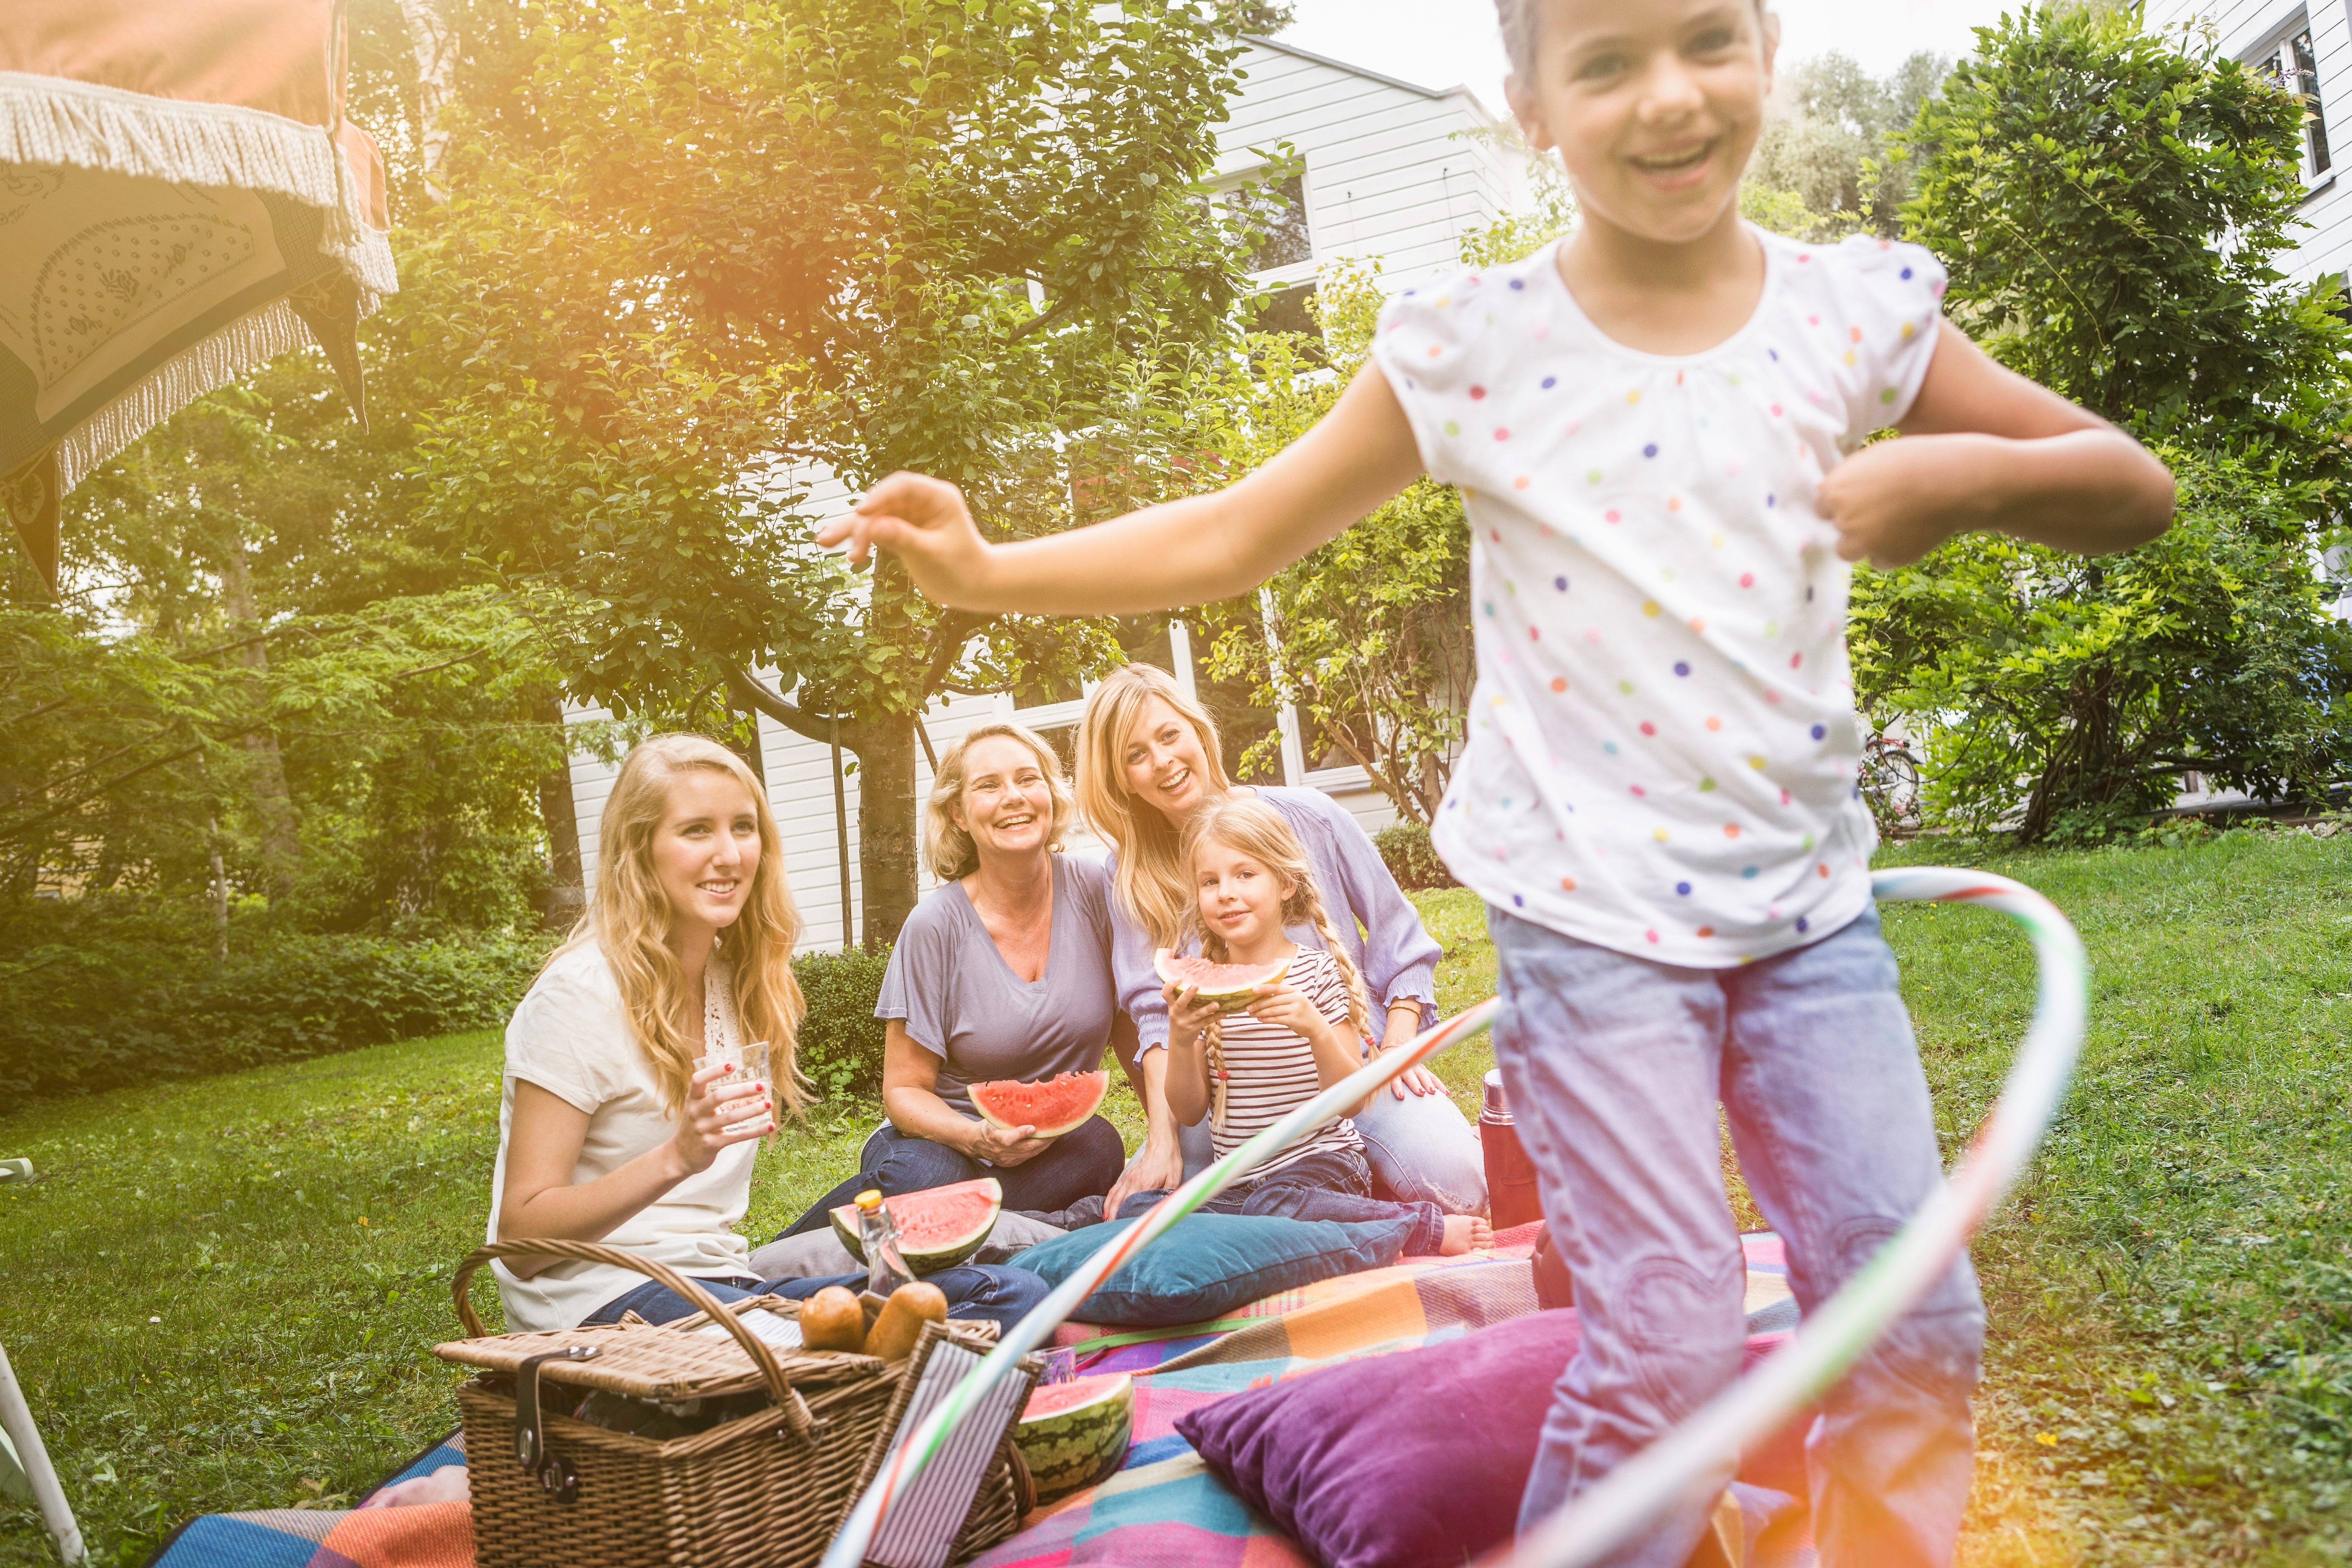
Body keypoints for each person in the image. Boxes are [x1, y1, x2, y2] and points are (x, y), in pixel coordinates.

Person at [816, 0, 2178, 1556]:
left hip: (1806, 924)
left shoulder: (1853, 312)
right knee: (1663, 1340)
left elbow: (2127, 484)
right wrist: (987, 571)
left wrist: (1970, 474)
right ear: (1529, 107)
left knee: (1910, 1308)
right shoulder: (1476, 344)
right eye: (1606, 62)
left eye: (1706, 41)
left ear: (1767, 49)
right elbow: (1235, 532)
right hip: (1588, 930)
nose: (1668, 96)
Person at [489, 733, 1046, 1332]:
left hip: (723, 1286)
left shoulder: (735, 985)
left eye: (743, 827)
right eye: (696, 830)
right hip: (599, 1303)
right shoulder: (579, 994)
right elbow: (520, 1244)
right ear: (639, 848)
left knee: (1005, 1294)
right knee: (848, 1351)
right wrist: (676, 1157)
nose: (729, 854)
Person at [1077, 664, 1490, 1221]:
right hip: (1233, 1100)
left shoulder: (1310, 816)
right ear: (1122, 779)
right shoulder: (1129, 875)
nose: (1164, 761)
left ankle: (1348, 1192)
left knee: (1464, 1188)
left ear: (1198, 730)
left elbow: (1402, 942)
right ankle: (1342, 1204)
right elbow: (1156, 1018)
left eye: (1170, 735)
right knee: (1156, 1212)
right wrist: (1162, 1139)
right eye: (1137, 755)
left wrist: (1396, 1050)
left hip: (1351, 1065)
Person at [781, 722, 1138, 1235]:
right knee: (930, 1177)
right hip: (935, 1141)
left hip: (1040, 1152)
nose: (1013, 796)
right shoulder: (935, 925)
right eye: (989, 785)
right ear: (958, 812)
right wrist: (976, 1138)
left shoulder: (1096, 889)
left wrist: (1172, 1143)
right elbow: (904, 1091)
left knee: (1099, 1145)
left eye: (1028, 779)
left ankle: (962, 1233)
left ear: (1051, 793)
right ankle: (783, 1257)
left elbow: (1131, 1028)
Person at [1165, 796, 1492, 1254]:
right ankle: (1339, 1237)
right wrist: (1181, 1037)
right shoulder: (1203, 991)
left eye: (1245, 874)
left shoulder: (1319, 973)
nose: (1226, 892)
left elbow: (1352, 1101)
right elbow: (1188, 1111)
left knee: (1275, 1205)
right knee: (1149, 1210)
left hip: (1325, 1168)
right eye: (1210, 881)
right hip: (1241, 1185)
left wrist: (1316, 1030)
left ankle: (1420, 1227)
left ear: (1286, 883)